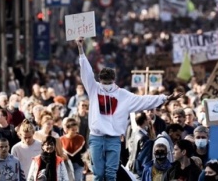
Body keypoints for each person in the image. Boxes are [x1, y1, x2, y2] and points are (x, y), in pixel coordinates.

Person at [75, 36, 182, 181]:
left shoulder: (122, 95)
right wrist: (81, 49)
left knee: (111, 174)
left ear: (114, 80)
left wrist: (166, 98)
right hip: (97, 138)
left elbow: (144, 100)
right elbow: (86, 72)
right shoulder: (94, 88)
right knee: (99, 174)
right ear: (99, 80)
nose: (106, 85)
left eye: (108, 82)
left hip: (113, 139)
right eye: (104, 82)